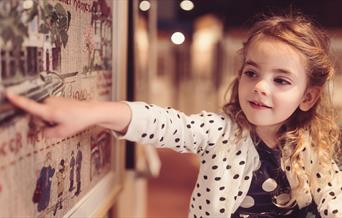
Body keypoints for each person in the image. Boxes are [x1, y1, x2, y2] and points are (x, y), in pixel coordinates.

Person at [6, 14, 342, 217]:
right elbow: (165, 124)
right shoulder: (221, 133)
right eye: (252, 73)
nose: (260, 88)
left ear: (308, 97)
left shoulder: (316, 148)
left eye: (280, 80)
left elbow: (334, 201)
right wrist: (91, 112)